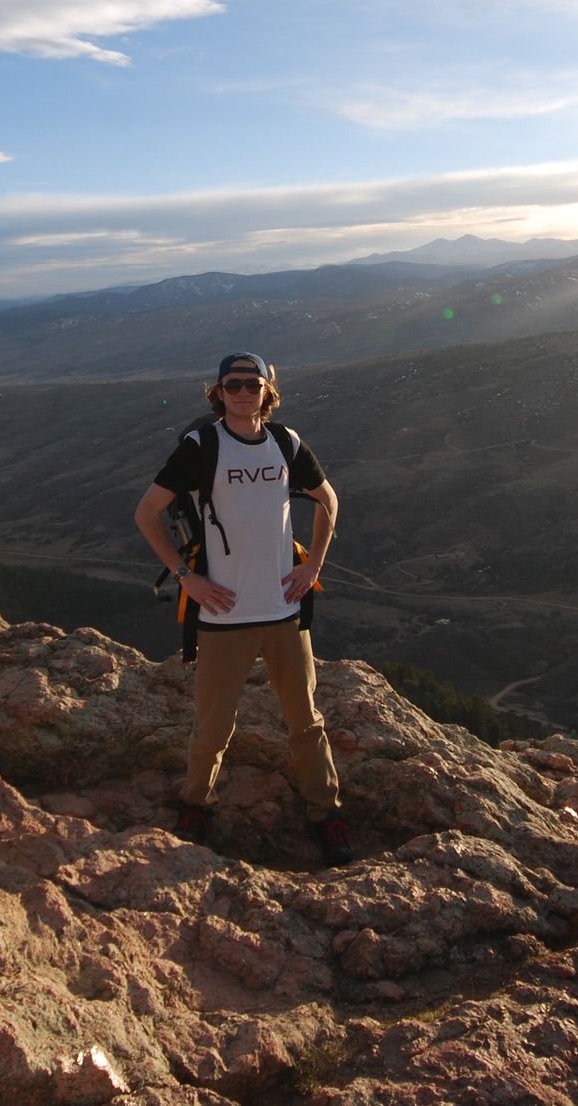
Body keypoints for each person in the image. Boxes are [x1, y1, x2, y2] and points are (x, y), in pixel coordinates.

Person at [133, 352, 353, 866]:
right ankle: (196, 805)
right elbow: (147, 513)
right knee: (212, 725)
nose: (242, 393)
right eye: (232, 385)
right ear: (218, 392)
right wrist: (187, 577)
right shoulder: (202, 446)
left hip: (283, 609)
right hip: (223, 614)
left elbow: (328, 500)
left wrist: (313, 564)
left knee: (306, 721)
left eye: (252, 384)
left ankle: (327, 813)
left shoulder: (285, 442)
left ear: (267, 392)